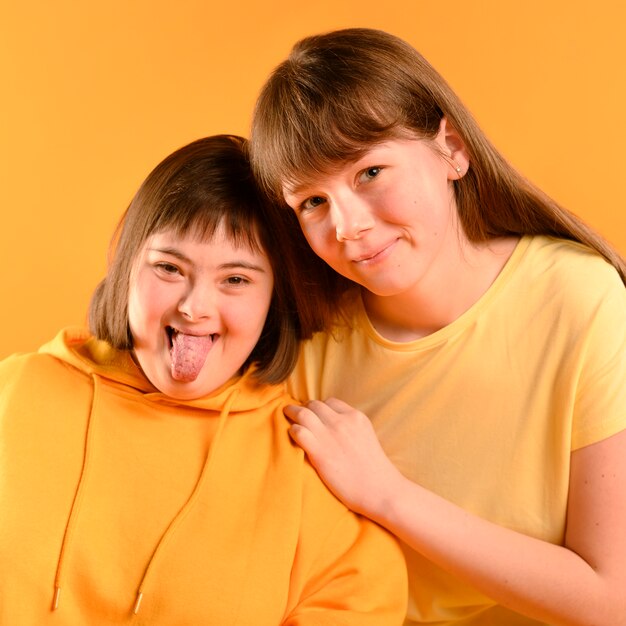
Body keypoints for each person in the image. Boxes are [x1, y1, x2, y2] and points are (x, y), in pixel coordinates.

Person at [249, 28, 626, 626]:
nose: (346, 226)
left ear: (451, 148)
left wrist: (387, 495)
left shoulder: (578, 298)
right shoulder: (308, 350)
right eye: (312, 203)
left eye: (370, 172)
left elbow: (612, 599)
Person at [0, 134, 408, 625]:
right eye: (169, 268)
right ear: (127, 267)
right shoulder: (16, 392)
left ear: (274, 299)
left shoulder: (312, 479)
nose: (194, 307)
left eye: (235, 279)